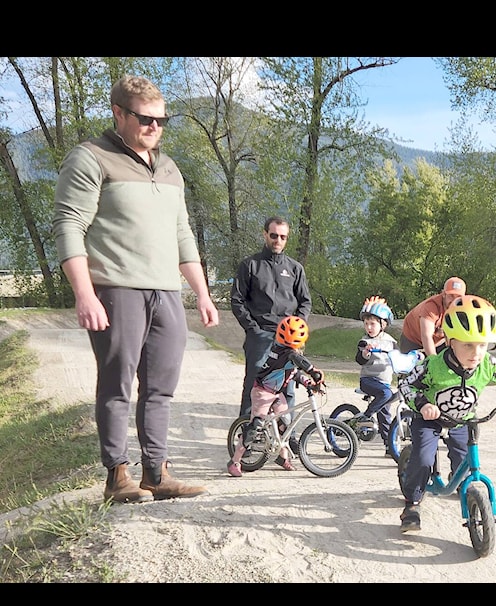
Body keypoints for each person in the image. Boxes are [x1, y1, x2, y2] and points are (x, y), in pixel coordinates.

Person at [52, 74, 219, 503]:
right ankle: (117, 477)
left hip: (166, 293)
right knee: (117, 384)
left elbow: (183, 234)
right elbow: (69, 226)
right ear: (119, 113)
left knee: (161, 385)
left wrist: (201, 292)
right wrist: (85, 293)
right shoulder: (90, 157)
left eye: (162, 120)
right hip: (115, 288)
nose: (155, 127)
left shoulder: (169, 168)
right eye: (145, 119)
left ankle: (157, 473)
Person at [397, 295, 496, 533]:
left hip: (463, 420)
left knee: (464, 458)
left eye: (483, 345)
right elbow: (406, 385)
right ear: (451, 341)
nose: (476, 353)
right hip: (430, 418)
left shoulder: (486, 364)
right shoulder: (433, 366)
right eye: (468, 345)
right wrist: (422, 404)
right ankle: (412, 504)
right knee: (423, 458)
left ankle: (465, 488)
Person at [231, 216, 312, 426]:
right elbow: (237, 300)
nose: (278, 240)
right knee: (254, 385)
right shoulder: (250, 265)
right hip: (261, 334)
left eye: (283, 237)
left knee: (288, 386)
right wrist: (252, 329)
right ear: (265, 234)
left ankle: (287, 434)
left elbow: (305, 302)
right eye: (274, 235)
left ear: (287, 239)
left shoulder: (295, 269)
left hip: (289, 338)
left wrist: (298, 326)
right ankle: (247, 436)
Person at [227, 316, 324, 476]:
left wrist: (309, 383)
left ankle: (282, 457)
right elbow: (299, 361)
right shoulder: (285, 353)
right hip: (262, 392)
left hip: (276, 394)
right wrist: (313, 371)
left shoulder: (288, 356)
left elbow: (294, 373)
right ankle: (235, 461)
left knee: (285, 424)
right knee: (255, 427)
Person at [355, 296, 399, 457]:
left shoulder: (391, 342)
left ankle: (389, 446)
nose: (369, 327)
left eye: (372, 323)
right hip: (368, 381)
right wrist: (365, 352)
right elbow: (359, 359)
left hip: (384, 382)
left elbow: (398, 358)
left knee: (385, 413)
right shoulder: (364, 341)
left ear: (383, 324)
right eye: (366, 324)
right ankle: (366, 415)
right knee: (386, 395)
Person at [398, 276, 466, 355]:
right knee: (412, 365)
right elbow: (426, 336)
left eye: (458, 297)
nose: (454, 300)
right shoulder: (431, 307)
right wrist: (433, 360)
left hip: (438, 341)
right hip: (413, 339)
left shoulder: (462, 308)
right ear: (444, 294)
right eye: (451, 296)